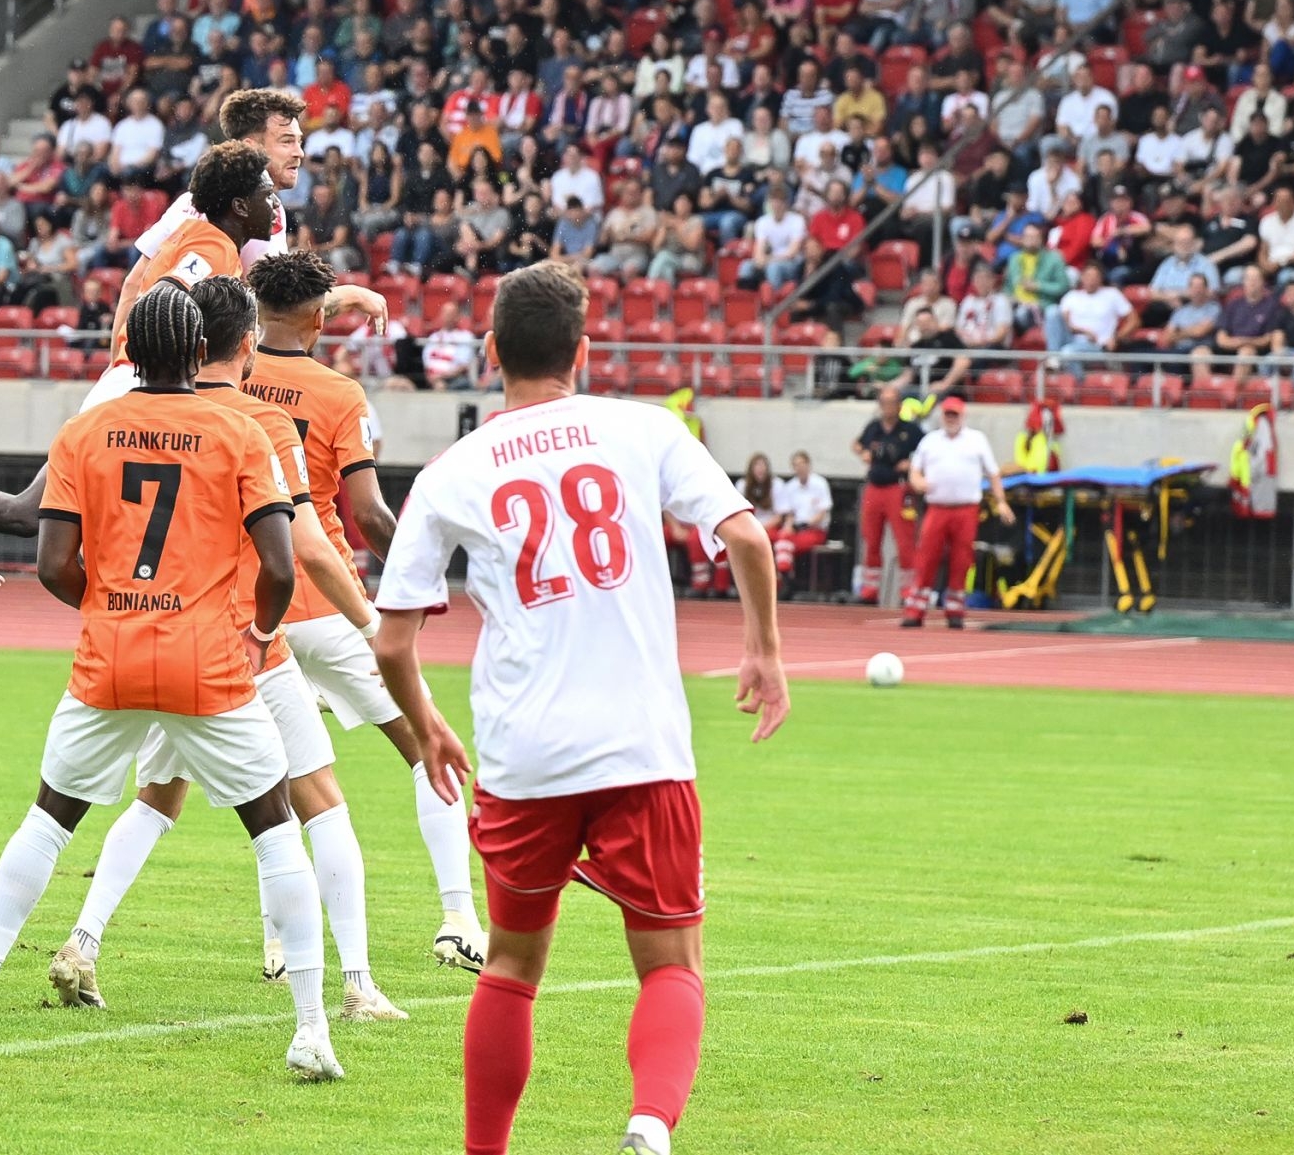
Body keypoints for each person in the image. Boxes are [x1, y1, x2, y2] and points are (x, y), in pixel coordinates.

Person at [369, 260, 790, 1155]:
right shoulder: (643, 426)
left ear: (491, 352)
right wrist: (764, 649)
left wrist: (426, 724)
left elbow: (393, 642)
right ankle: (648, 1124)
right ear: (584, 350)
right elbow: (746, 535)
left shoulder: (450, 471)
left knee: (513, 964)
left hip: (523, 755)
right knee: (671, 961)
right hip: (642, 744)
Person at [0, 284, 344, 1079]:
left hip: (109, 659)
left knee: (47, 822)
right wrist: (258, 633)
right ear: (200, 352)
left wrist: (114, 608)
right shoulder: (241, 431)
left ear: (129, 357)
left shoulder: (84, 431)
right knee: (274, 829)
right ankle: (312, 1029)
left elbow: (53, 563)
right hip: (208, 664)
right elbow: (281, 566)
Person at [46, 275, 405, 1024]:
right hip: (242, 646)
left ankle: (83, 939)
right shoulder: (258, 421)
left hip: (152, 635)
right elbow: (307, 546)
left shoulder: (135, 413)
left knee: (157, 796)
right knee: (318, 800)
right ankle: (356, 983)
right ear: (243, 344)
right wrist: (373, 626)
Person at [246, 250, 488, 972]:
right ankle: (457, 916)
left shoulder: (224, 375)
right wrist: (423, 581)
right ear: (319, 322)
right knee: (426, 747)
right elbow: (371, 514)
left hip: (254, 609)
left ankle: (279, 939)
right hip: (329, 603)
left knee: (277, 776)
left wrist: (346, 294)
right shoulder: (338, 393)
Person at [903, 397, 1015, 630]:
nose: (951, 418)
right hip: (937, 508)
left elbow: (993, 473)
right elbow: (914, 471)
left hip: (966, 509)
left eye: (955, 414)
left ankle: (955, 610)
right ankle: (915, 609)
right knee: (926, 557)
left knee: (961, 559)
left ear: (963, 416)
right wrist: (918, 482)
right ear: (942, 416)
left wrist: (1001, 502)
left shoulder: (976, 440)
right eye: (948, 414)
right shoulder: (930, 441)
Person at [853, 386, 925, 606]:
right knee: (871, 538)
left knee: (905, 540)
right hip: (874, 488)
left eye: (891, 402)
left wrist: (911, 464)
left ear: (899, 405)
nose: (887, 407)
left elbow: (928, 450)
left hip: (898, 488)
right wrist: (863, 452)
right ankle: (870, 590)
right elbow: (857, 444)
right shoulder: (873, 428)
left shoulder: (910, 430)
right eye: (883, 402)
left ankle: (908, 591)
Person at [772, 449, 832, 587]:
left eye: (802, 464)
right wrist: (788, 527)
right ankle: (785, 576)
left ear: (808, 465)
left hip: (815, 530)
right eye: (796, 465)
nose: (800, 468)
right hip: (797, 530)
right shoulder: (790, 486)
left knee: (784, 545)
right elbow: (790, 514)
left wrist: (806, 524)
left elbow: (822, 512)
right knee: (782, 539)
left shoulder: (820, 483)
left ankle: (786, 580)